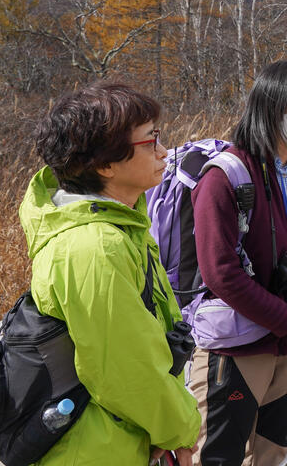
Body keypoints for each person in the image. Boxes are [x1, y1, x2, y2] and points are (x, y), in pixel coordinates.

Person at [23, 81, 201, 465]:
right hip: (95, 448)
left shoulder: (119, 224)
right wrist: (181, 429)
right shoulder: (94, 247)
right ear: (104, 163)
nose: (164, 151)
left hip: (119, 435)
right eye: (150, 141)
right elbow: (125, 370)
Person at [189, 61, 287, 466]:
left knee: (273, 452)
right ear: (270, 107)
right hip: (239, 346)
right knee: (218, 457)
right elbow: (221, 274)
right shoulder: (224, 178)